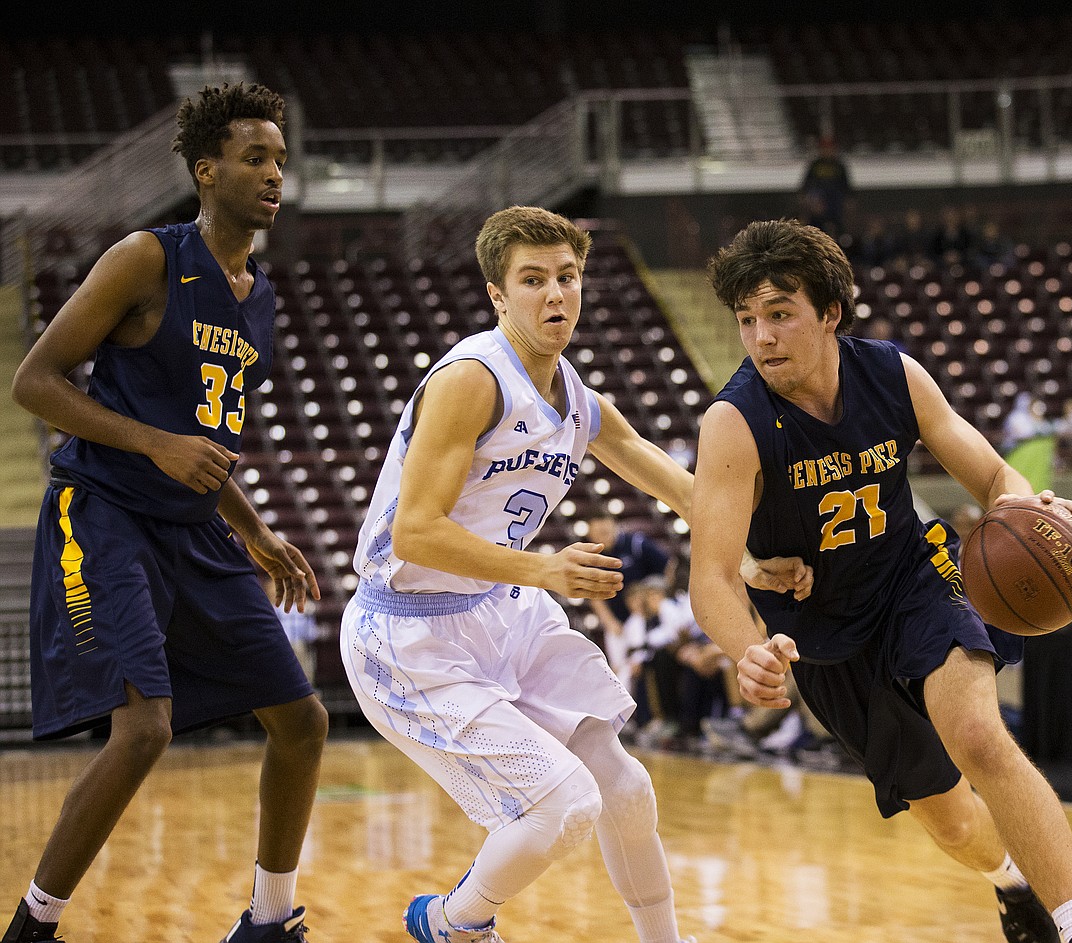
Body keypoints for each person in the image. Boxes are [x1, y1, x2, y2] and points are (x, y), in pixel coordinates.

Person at [688, 218, 1072, 943]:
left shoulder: (891, 372)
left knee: (979, 735)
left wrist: (1025, 506)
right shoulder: (734, 421)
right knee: (948, 817)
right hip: (823, 636)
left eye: (779, 314)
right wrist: (745, 647)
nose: (761, 336)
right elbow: (712, 576)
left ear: (829, 312)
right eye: (747, 319)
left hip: (915, 579)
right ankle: (1012, 885)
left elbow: (991, 474)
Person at [4, 83, 328, 943]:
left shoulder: (255, 293)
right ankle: (35, 925)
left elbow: (202, 443)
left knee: (302, 721)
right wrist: (153, 444)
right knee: (144, 727)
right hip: (103, 508)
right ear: (205, 169)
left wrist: (255, 531)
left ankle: (267, 921)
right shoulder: (146, 257)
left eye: (281, 160)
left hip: (191, 523)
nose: (273, 174)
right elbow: (33, 381)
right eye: (255, 158)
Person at [340, 206, 698, 943]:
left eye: (566, 276)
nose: (555, 294)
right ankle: (450, 923)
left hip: (503, 609)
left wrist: (753, 547)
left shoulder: (577, 398)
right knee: (565, 804)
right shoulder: (474, 378)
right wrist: (544, 566)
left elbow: (682, 487)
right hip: (407, 631)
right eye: (532, 280)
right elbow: (416, 530)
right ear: (498, 295)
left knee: (624, 787)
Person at [584, 511, 672, 639]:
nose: (603, 537)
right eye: (598, 534)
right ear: (590, 535)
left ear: (614, 526)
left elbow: (668, 567)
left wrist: (658, 599)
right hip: (619, 623)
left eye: (606, 532)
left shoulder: (636, 543)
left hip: (651, 616)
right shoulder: (590, 558)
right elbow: (593, 598)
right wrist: (610, 623)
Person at [798, 136, 852, 237]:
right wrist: (810, 202)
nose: (827, 151)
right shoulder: (815, 165)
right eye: (825, 148)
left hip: (835, 202)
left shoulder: (839, 165)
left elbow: (846, 187)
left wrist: (848, 203)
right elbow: (806, 186)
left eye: (830, 148)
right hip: (817, 202)